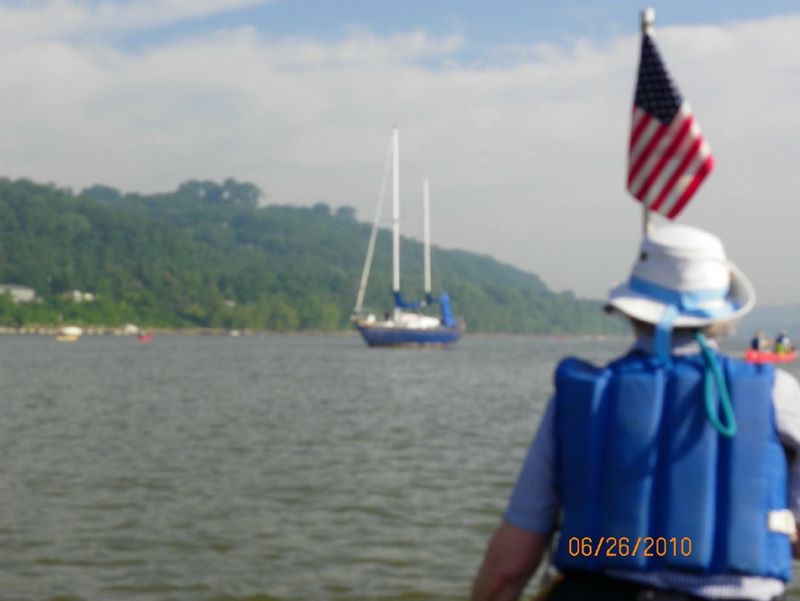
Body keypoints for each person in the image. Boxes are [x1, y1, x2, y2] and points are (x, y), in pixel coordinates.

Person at [471, 224, 800, 601]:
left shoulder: (581, 399)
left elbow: (509, 565)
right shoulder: (777, 394)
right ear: (722, 315)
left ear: (631, 312)